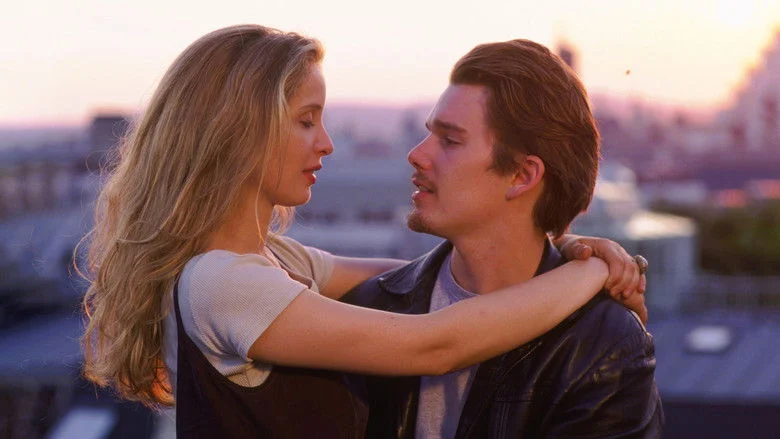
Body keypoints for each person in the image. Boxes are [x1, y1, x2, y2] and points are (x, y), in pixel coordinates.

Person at [79, 25, 647, 438]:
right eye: (306, 121)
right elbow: (435, 342)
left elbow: (414, 280)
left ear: (523, 176)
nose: (327, 143)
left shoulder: (275, 263)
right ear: (238, 132)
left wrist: (567, 246)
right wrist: (592, 273)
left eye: (449, 140)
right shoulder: (223, 283)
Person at [343, 39, 664, 438]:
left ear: (522, 176)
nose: (417, 154)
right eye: (429, 134)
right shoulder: (370, 309)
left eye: (450, 140)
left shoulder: (603, 347)